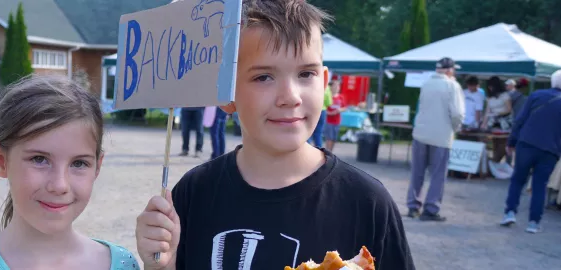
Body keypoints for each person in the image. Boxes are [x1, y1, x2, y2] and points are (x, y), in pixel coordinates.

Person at [134, 1, 415, 269]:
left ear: (325, 82)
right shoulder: (194, 193)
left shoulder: (366, 202)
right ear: (226, 94)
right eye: (263, 77)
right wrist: (160, 266)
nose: (290, 97)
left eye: (306, 74)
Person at [0, 74, 139, 269]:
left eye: (79, 163)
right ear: (0, 160)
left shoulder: (122, 264)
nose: (60, 185)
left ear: (97, 167)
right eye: (39, 159)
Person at [500, 70, 561, 234]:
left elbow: (520, 119)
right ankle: (533, 223)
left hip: (527, 143)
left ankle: (510, 213)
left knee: (518, 179)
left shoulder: (536, 95)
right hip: (551, 150)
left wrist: (511, 142)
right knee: (539, 185)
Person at [406, 57, 465, 222]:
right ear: (449, 70)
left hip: (421, 132)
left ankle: (413, 206)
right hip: (441, 135)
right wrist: (455, 128)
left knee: (417, 172)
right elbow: (458, 113)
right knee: (438, 175)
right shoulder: (452, 85)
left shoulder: (426, 83)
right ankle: (431, 208)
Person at [481, 76, 512, 163]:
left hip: (504, 122)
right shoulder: (490, 97)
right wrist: (484, 123)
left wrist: (497, 113)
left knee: (503, 143)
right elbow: (487, 111)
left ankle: (496, 160)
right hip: (493, 122)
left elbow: (509, 109)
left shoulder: (505, 96)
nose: (490, 88)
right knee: (495, 142)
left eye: (491, 86)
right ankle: (495, 161)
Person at [324, 79, 345, 152]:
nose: (337, 87)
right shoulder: (328, 95)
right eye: (335, 85)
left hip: (337, 121)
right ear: (331, 87)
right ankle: (327, 152)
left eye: (338, 86)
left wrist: (339, 110)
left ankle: (331, 152)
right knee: (329, 138)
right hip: (328, 120)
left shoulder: (341, 97)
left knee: (334, 138)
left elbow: (344, 107)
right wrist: (328, 113)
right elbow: (323, 107)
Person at [309, 81, 331, 148]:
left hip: (311, 109)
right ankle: (319, 151)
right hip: (322, 111)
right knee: (318, 133)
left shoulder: (310, 84)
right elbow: (329, 102)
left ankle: (305, 152)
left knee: (307, 132)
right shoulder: (326, 86)